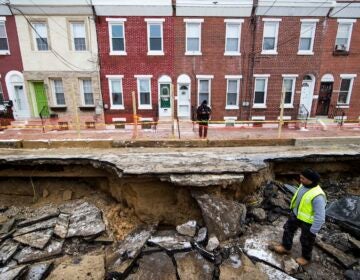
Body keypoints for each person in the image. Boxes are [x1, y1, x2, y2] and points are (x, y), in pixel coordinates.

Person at [272, 168, 326, 266]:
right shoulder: (303, 185)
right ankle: (286, 247)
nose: (300, 180)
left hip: (308, 221)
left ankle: (306, 257)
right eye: (300, 178)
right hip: (296, 215)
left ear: (311, 180)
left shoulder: (318, 196)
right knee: (288, 229)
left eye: (303, 178)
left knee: (306, 240)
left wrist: (314, 229)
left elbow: (320, 215)